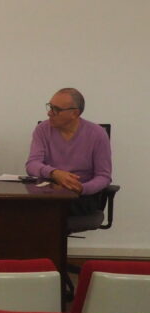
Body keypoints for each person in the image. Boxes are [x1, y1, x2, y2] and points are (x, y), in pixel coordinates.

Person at [26, 87, 112, 229]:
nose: (49, 113)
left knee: (44, 212)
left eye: (56, 109)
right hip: (49, 191)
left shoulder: (97, 134)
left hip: (81, 196)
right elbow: (32, 164)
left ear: (75, 113)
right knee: (20, 207)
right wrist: (54, 173)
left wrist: (81, 188)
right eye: (50, 107)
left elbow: (103, 176)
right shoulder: (42, 129)